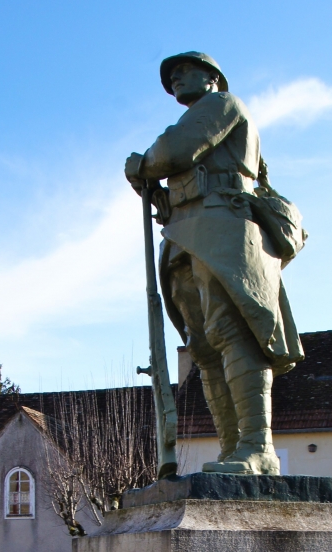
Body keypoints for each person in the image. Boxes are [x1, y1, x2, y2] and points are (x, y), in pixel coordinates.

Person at [125, 52, 304, 475]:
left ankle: (258, 448)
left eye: (185, 71)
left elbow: (177, 149)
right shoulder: (203, 112)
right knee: (203, 347)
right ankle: (231, 449)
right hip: (184, 230)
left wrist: (142, 165)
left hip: (222, 226)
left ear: (213, 77)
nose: (176, 79)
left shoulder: (223, 105)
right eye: (171, 77)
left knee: (232, 331)